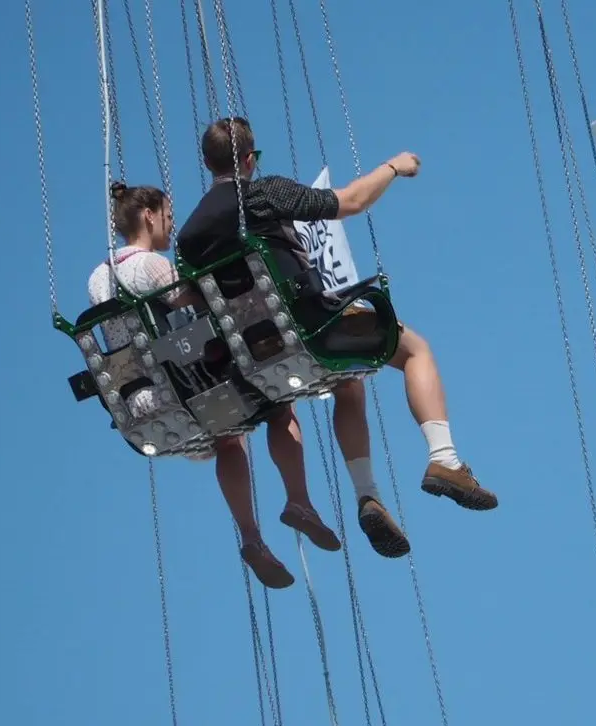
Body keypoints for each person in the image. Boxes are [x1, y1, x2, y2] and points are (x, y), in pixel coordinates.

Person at [176, 117, 497, 560]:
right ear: (249, 159)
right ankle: (444, 458)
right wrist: (393, 167)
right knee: (415, 350)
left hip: (249, 348)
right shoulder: (264, 194)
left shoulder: (188, 236)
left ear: (207, 163)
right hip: (309, 324)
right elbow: (351, 201)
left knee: (350, 381)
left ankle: (368, 496)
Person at [87, 182, 341, 589]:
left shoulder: (98, 277)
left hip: (137, 397)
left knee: (228, 437)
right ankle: (300, 501)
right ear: (148, 215)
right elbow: (196, 300)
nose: (171, 224)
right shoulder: (150, 265)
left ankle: (251, 537)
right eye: (168, 215)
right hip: (182, 383)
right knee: (280, 401)